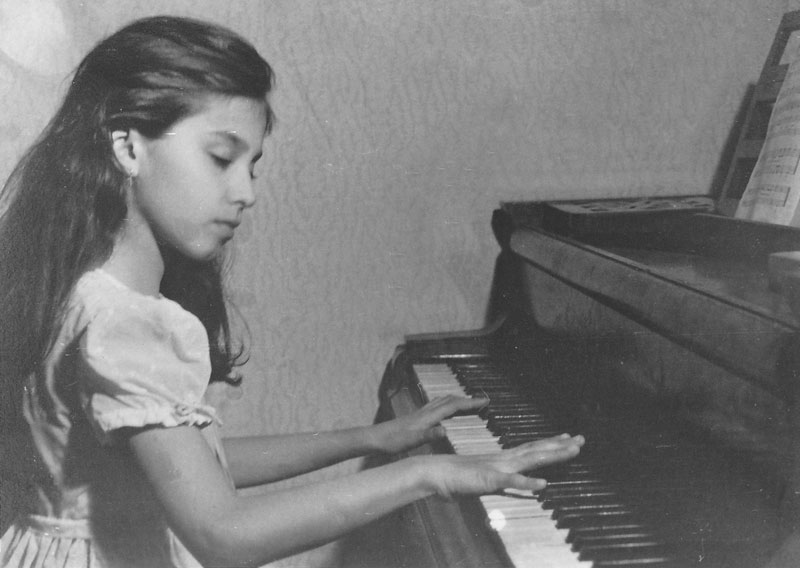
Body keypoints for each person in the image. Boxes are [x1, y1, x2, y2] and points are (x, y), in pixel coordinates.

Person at [0, 15, 584, 568]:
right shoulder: (130, 323)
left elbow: (195, 465)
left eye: (251, 166)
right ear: (128, 147)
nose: (246, 192)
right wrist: (428, 475)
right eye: (221, 157)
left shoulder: (76, 289)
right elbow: (223, 536)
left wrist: (371, 438)